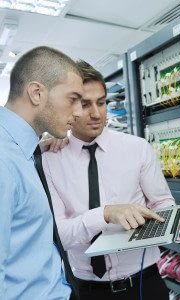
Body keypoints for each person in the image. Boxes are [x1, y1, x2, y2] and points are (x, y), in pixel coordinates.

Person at [42, 60, 175, 300]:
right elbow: (58, 234)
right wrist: (104, 214)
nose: (96, 113)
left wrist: (154, 224)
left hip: (145, 282)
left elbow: (163, 202)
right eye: (85, 104)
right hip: (88, 290)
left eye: (101, 102)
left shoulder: (137, 148)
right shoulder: (50, 160)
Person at [0, 46, 84, 299]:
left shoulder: (22, 151)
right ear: (37, 93)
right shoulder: (4, 160)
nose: (79, 112)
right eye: (73, 99)